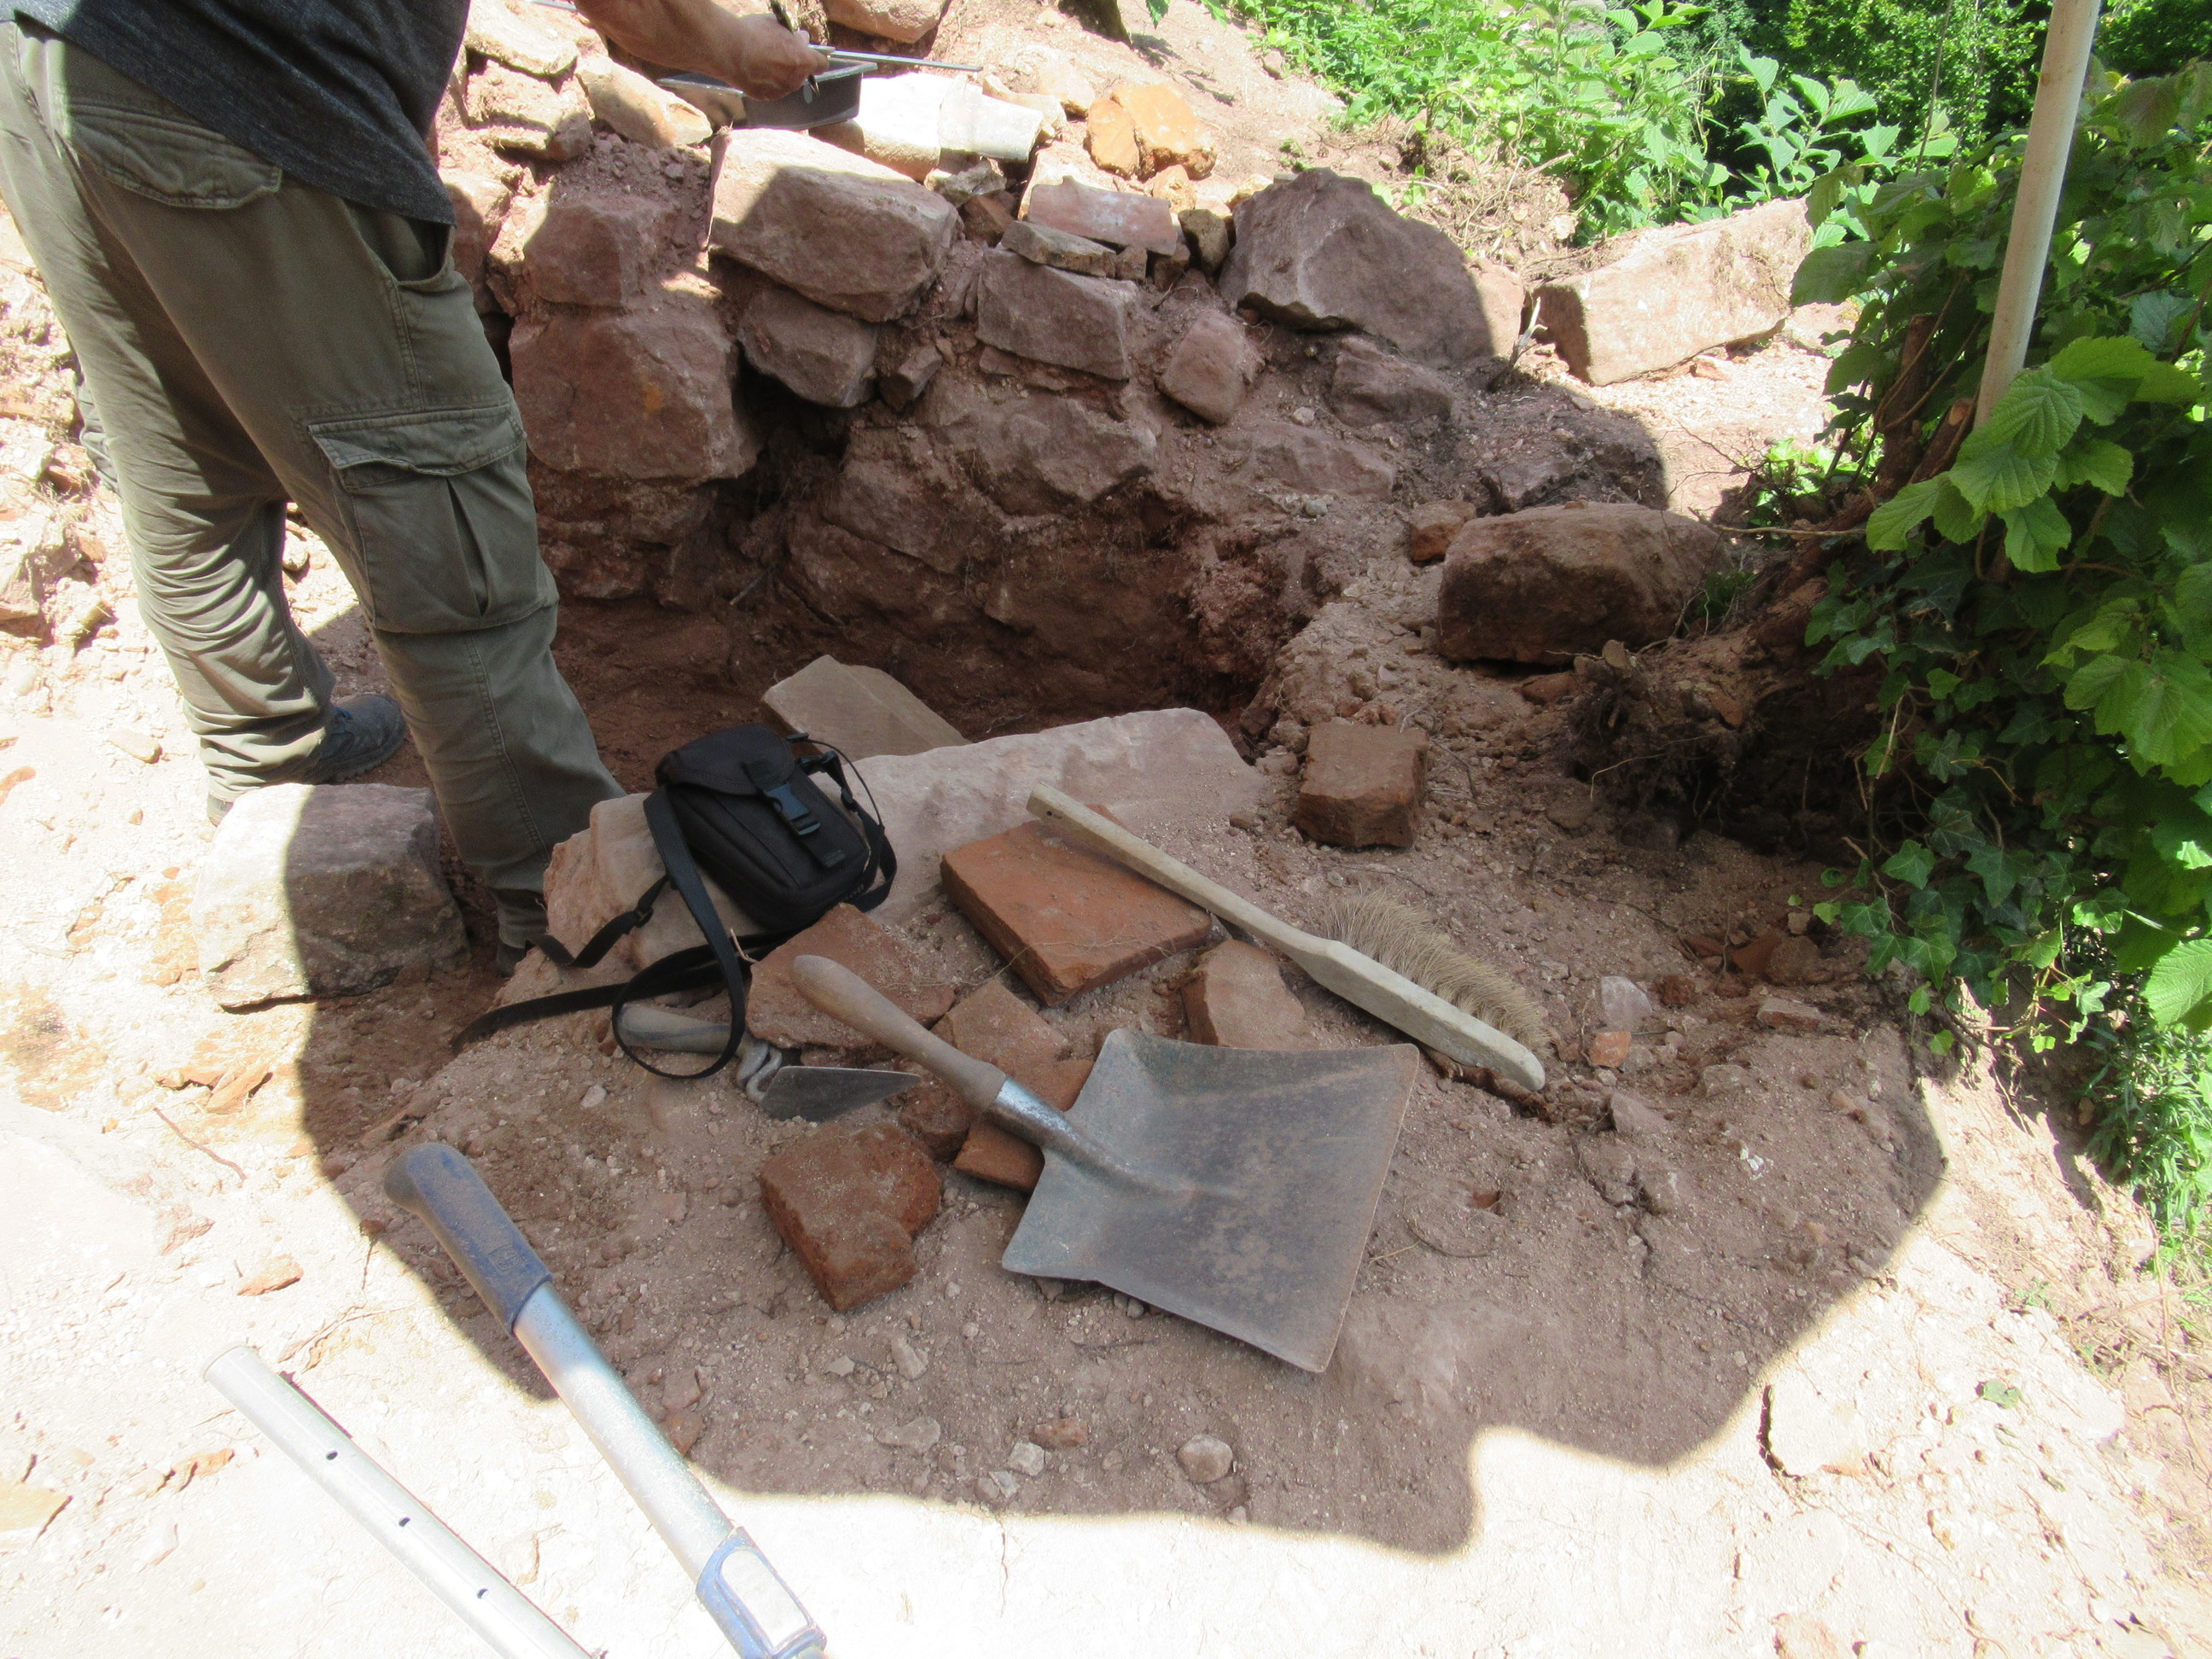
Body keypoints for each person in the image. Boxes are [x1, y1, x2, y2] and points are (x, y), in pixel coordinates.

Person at [0, 1, 824, 967]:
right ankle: (571, 905)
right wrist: (736, 46)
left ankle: (266, 760)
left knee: (190, 451)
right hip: (243, 101)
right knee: (444, 515)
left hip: (48, 65)